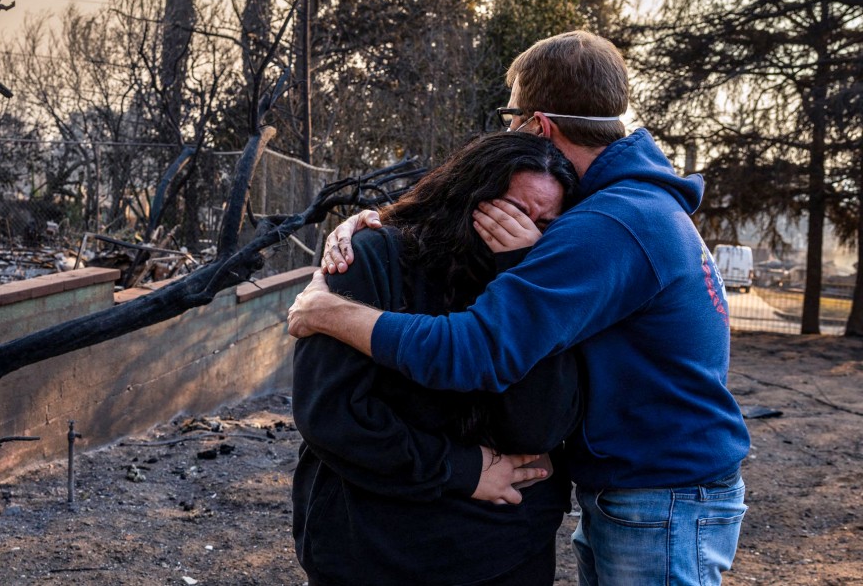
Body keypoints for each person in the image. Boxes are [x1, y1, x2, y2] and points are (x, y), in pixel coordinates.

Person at [287, 30, 751, 586]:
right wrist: (384, 220)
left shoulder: (609, 224)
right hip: (648, 489)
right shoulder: (627, 203)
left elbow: (475, 350)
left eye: (511, 119)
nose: (508, 135)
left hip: (661, 498)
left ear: (538, 124)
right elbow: (468, 199)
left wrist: (326, 312)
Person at [292, 133, 582, 585]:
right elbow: (330, 414)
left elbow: (537, 427)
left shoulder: (547, 282)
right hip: (375, 550)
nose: (526, 231)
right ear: (468, 195)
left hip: (506, 550)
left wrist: (524, 273)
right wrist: (462, 469)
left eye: (546, 223)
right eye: (514, 212)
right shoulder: (372, 256)